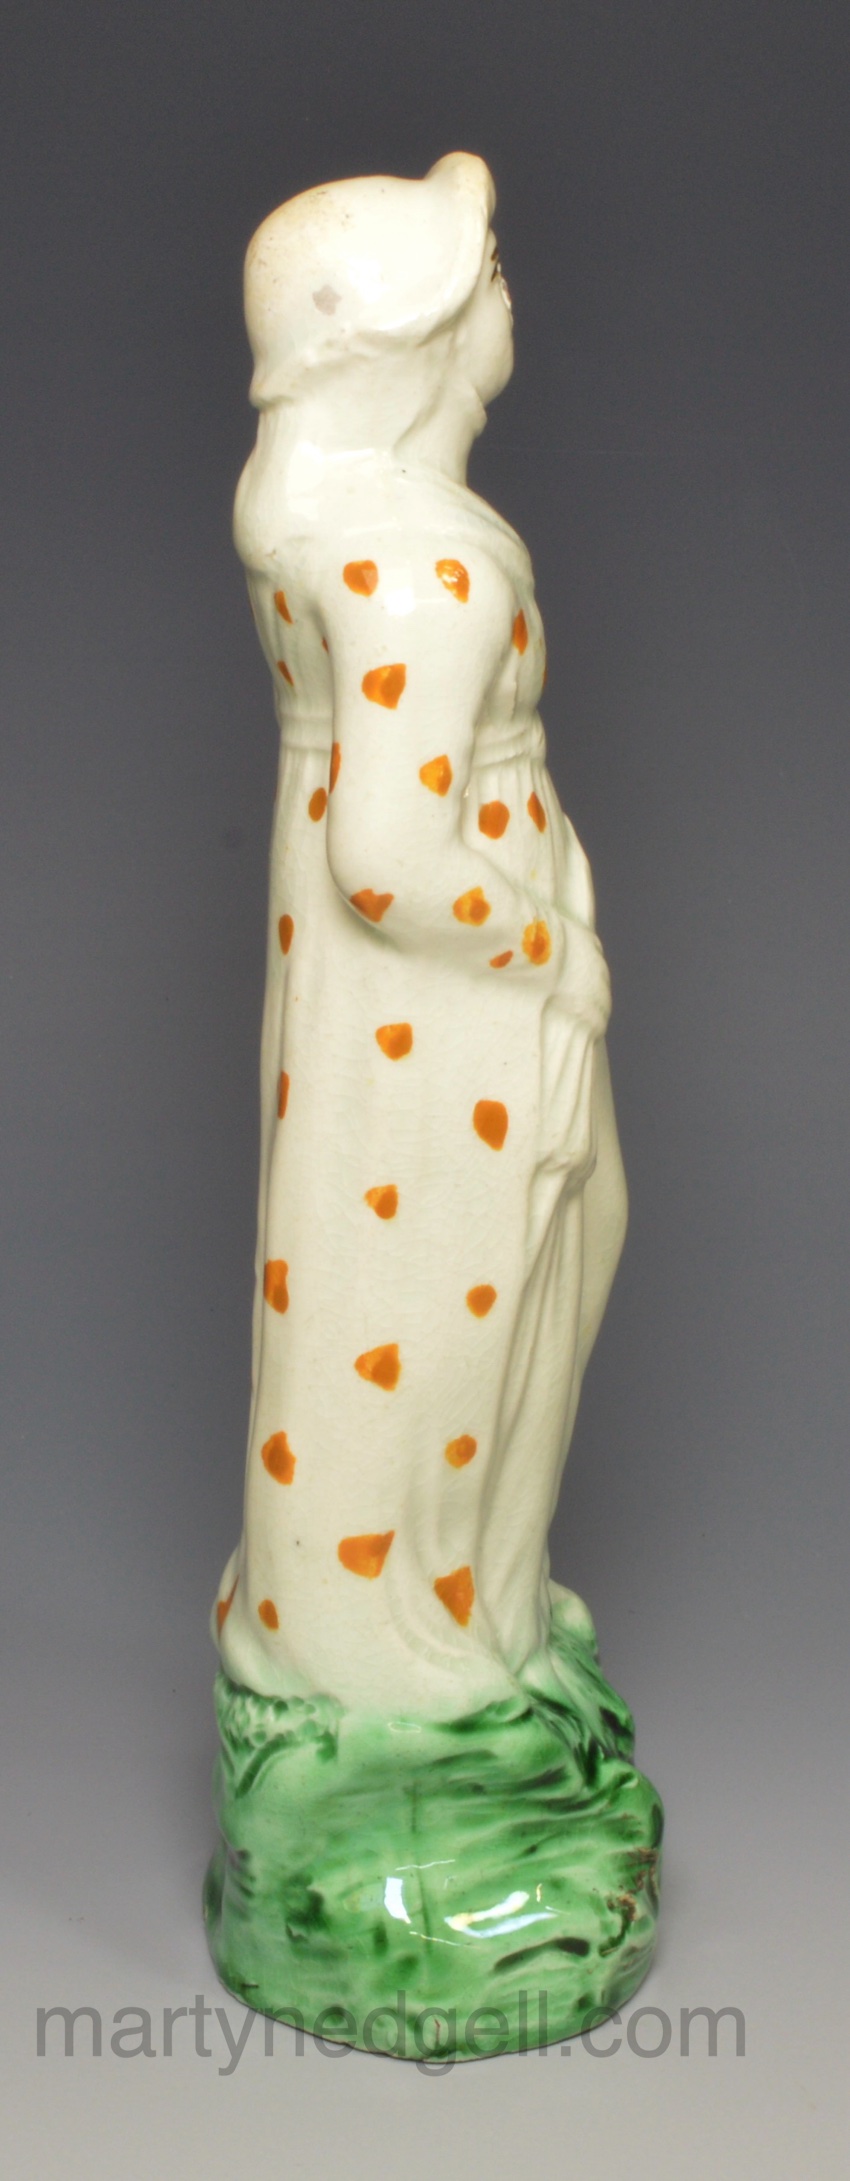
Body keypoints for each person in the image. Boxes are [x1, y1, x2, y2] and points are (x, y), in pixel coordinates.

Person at [212, 154, 627, 1723]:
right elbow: (385, 855)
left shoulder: (348, 522)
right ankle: (411, 1644)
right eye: (481, 270)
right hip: (446, 996)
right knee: (483, 1274)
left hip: (374, 1000)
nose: (505, 285)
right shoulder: (422, 573)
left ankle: (471, 1601)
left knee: (439, 1269)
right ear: (413, 332)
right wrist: (546, 951)